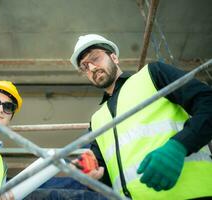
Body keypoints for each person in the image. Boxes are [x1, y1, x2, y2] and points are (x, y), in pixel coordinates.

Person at [70, 34, 212, 199]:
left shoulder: (152, 75)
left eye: (95, 58)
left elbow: (208, 102)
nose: (92, 68)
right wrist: (95, 178)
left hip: (192, 195)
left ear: (114, 57)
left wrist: (179, 146)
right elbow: (110, 176)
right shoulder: (97, 121)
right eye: (85, 67)